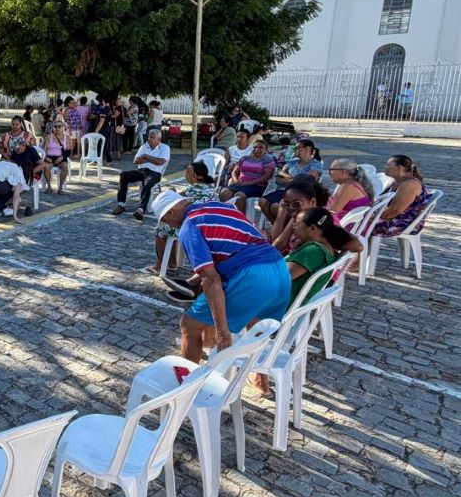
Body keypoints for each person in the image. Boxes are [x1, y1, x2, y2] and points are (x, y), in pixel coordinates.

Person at [152, 190, 290, 363]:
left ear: (169, 214)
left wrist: (222, 330)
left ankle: (189, 384)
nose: (171, 225)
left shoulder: (189, 227)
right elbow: (258, 236)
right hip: (280, 269)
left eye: (166, 221)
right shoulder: (219, 206)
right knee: (256, 326)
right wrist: (196, 280)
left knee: (189, 326)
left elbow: (212, 281)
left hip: (252, 278)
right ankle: (260, 381)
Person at [249, 207, 361, 396]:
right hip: (286, 308)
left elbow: (277, 277)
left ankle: (250, 367)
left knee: (220, 294)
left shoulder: (312, 252)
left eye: (297, 224)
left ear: (312, 229)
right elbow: (356, 245)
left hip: (272, 312)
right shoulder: (325, 247)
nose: (293, 227)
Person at [145, 162, 217, 274]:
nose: (185, 174)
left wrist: (171, 192)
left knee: (161, 229)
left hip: (196, 227)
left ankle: (160, 265)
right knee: (170, 226)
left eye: (188, 171)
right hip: (211, 224)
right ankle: (172, 263)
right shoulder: (210, 188)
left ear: (196, 176)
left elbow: (178, 202)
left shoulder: (193, 189)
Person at [258, 138, 324, 224]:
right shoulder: (292, 162)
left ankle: (282, 229)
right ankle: (276, 226)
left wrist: (287, 177)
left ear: (307, 149)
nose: (295, 150)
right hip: (286, 191)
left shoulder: (315, 164)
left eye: (298, 148)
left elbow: (308, 181)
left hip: (301, 195)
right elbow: (278, 179)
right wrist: (293, 179)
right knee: (262, 202)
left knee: (276, 206)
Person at [112, 129, 170, 221]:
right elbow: (136, 160)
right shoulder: (144, 147)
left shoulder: (165, 148)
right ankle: (121, 204)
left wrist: (146, 156)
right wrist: (152, 159)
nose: (149, 139)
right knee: (123, 175)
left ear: (159, 139)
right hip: (141, 171)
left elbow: (160, 162)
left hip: (155, 173)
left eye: (152, 137)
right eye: (149, 137)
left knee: (147, 183)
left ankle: (141, 209)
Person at [372, 154, 433, 237]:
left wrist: (371, 217)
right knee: (355, 222)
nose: (385, 167)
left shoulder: (410, 184)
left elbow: (394, 211)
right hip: (390, 218)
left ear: (399, 168)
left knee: (355, 225)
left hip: (401, 223)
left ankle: (356, 248)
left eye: (388, 164)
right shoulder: (396, 181)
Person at [219, 140, 275, 214]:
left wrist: (248, 183)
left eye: (261, 148)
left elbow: (266, 177)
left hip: (257, 186)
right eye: (255, 147)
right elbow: (235, 171)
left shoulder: (268, 160)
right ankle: (226, 216)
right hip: (241, 184)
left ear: (266, 150)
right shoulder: (245, 158)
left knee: (239, 196)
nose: (257, 149)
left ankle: (241, 219)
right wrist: (236, 181)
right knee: (224, 192)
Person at [42, 121, 71, 194]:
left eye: (59, 126)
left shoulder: (66, 137)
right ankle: (49, 186)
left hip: (61, 158)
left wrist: (61, 157)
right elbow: (43, 151)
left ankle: (60, 187)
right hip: (50, 158)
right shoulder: (49, 136)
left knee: (65, 167)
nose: (57, 128)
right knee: (46, 167)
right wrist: (45, 158)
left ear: (63, 127)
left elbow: (69, 152)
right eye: (55, 126)